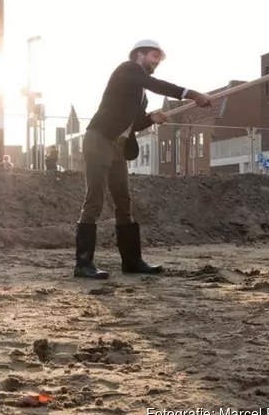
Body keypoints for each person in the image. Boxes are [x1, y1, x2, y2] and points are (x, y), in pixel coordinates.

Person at [74, 39, 212, 280]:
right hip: (99, 140)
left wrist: (151, 119)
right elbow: (155, 83)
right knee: (95, 199)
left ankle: (132, 261)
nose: (157, 62)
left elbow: (135, 123)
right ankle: (83, 264)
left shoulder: (141, 95)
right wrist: (190, 94)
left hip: (118, 147)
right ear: (139, 55)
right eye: (154, 56)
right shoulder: (127, 70)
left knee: (124, 201)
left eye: (159, 58)